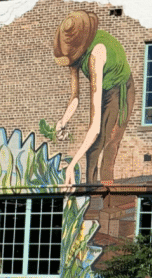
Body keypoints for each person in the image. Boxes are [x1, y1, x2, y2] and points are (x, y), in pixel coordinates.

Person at [52, 10, 134, 186]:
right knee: (92, 152)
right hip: (104, 87)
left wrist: (72, 165)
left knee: (108, 143)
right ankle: (90, 198)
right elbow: (75, 97)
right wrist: (63, 121)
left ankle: (106, 202)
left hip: (121, 90)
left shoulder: (96, 54)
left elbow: (95, 127)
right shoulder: (75, 55)